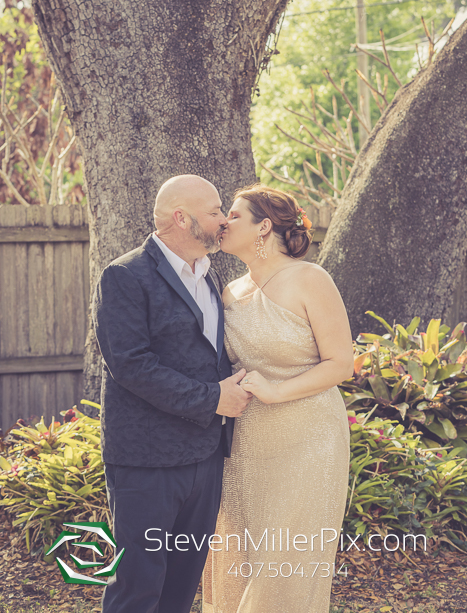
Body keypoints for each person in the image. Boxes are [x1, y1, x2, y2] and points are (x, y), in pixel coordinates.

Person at [93, 175, 252, 613]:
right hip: (146, 463)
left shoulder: (210, 274)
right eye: (216, 210)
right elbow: (131, 365)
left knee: (181, 589)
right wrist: (212, 399)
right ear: (182, 218)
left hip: (205, 457)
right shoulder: (125, 275)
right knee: (138, 588)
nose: (224, 219)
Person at [202, 183, 353, 613]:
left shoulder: (310, 279)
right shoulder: (230, 293)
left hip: (308, 441)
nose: (223, 222)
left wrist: (276, 391)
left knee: (287, 562)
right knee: (239, 559)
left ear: (264, 226)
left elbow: (341, 364)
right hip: (245, 444)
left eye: (233, 214)